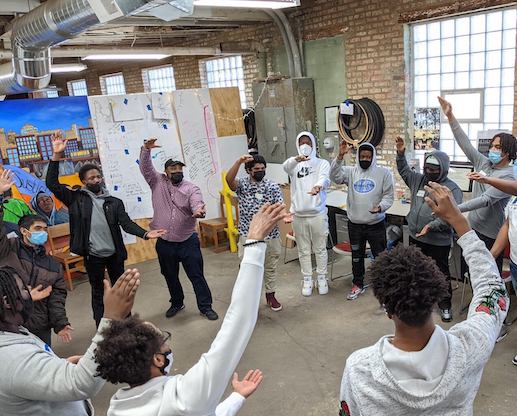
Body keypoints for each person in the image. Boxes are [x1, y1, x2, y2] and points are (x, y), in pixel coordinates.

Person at [95, 203, 286, 415]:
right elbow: (238, 323)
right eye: (163, 339)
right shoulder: (182, 398)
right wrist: (254, 243)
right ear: (158, 360)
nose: (168, 342)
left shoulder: (117, 408)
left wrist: (236, 398)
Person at [339, 182, 509, 415]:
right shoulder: (472, 346)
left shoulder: (360, 370)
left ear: (387, 308)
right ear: (436, 294)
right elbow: (492, 289)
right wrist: (459, 221)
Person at [46, 135, 166, 327]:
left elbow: (126, 223)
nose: (96, 179)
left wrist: (145, 233)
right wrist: (56, 155)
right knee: (98, 291)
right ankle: (102, 327)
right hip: (93, 256)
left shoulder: (114, 202)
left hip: (114, 255)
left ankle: (125, 323)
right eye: (91, 178)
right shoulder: (76, 198)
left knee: (121, 290)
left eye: (98, 176)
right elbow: (52, 184)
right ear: (84, 182)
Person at [0, 263, 142, 416]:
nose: (28, 290)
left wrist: (59, 367)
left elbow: (26, 375)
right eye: (22, 289)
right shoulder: (12, 358)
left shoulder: (13, 332)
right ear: (7, 301)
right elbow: (81, 384)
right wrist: (112, 318)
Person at [139, 139, 218, 321]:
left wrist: (198, 210)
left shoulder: (191, 187)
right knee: (170, 276)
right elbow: (145, 168)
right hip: (165, 243)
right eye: (172, 169)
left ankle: (206, 307)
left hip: (187, 241)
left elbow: (197, 201)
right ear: (166, 172)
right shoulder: (157, 182)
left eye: (179, 168)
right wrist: (146, 150)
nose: (177, 171)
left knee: (196, 275)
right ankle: (177, 303)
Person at [438, 96, 516, 275]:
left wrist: (454, 209)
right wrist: (450, 116)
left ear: (508, 152)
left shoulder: (508, 176)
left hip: (490, 235)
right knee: (470, 272)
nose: (492, 150)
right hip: (472, 229)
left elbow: (485, 200)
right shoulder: (484, 163)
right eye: (492, 146)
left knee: (487, 276)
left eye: (497, 147)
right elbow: (464, 143)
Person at [0, 170, 72, 346]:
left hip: (40, 325)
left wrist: (60, 323)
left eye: (45, 229)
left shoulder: (53, 265)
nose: (43, 232)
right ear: (24, 231)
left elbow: (57, 296)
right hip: (11, 322)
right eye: (38, 228)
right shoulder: (9, 249)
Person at [395, 136, 463, 322]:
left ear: (443, 169)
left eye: (434, 169)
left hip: (437, 241)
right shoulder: (419, 180)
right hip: (417, 237)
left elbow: (451, 217)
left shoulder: (451, 189)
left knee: (440, 273)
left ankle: (445, 305)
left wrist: (431, 226)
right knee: (417, 271)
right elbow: (403, 170)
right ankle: (420, 301)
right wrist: (400, 153)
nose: (429, 172)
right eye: (427, 168)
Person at [330, 141, 394, 300]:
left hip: (375, 225)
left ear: (373, 157)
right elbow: (334, 176)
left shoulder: (383, 173)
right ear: (358, 157)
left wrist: (380, 208)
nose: (365, 159)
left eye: (368, 156)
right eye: (362, 156)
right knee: (356, 257)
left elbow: (389, 196)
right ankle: (358, 284)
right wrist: (339, 157)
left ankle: (384, 288)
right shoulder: (351, 172)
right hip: (355, 225)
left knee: (380, 257)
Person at [226, 154, 284, 311]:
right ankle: (247, 300)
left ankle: (270, 295)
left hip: (270, 234)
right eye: (257, 169)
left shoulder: (272, 186)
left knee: (270, 266)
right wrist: (238, 161)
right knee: (247, 268)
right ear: (249, 170)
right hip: (248, 234)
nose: (260, 171)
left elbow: (279, 206)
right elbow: (229, 181)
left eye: (263, 169)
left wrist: (281, 217)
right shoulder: (242, 185)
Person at [469, 173, 517, 365]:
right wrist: (491, 255)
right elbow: (507, 225)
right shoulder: (513, 201)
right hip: (515, 263)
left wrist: (487, 180)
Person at [283, 131, 331, 296]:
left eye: (308, 142)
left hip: (317, 214)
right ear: (298, 145)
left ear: (313, 144)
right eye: (302, 142)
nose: (305, 145)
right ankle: (308, 279)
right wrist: (296, 159)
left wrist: (318, 186)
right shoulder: (294, 165)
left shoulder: (322, 163)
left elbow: (325, 178)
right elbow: (285, 166)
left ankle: (322, 277)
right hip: (299, 215)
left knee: (320, 248)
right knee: (303, 250)